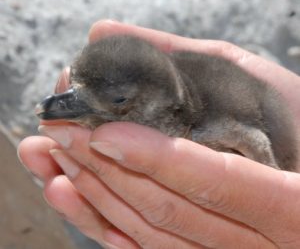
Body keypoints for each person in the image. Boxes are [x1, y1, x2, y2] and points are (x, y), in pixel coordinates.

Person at [18, 20, 300, 249]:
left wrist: (275, 195)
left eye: (118, 100)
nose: (66, 102)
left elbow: (252, 137)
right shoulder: (132, 110)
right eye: (76, 89)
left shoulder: (200, 126)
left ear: (157, 104)